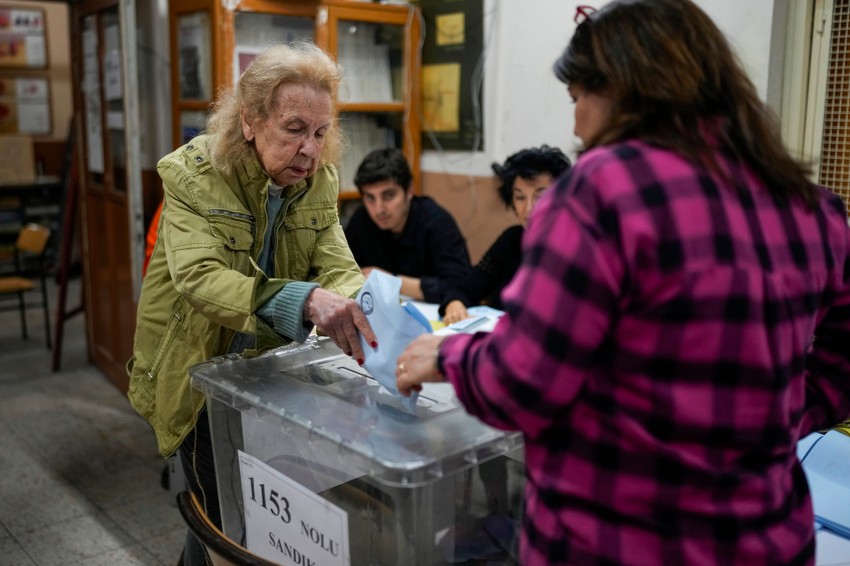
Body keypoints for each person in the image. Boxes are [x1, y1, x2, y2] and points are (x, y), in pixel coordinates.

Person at [395, 1, 850, 564]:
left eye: (579, 98)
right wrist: (777, 418)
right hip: (768, 539)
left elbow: (525, 384)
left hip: (615, 539)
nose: (576, 122)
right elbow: (840, 354)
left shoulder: (603, 191)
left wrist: (449, 356)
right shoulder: (811, 206)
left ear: (625, 87)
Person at [126, 42, 377, 566]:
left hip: (265, 375)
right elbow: (201, 278)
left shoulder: (317, 179)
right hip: (194, 373)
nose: (309, 149)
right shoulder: (192, 174)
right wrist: (304, 300)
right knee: (227, 519)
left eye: (320, 132)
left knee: (233, 517)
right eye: (293, 128)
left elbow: (336, 262)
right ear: (249, 120)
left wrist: (363, 312)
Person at [440, 145, 571, 324]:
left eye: (541, 197)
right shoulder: (511, 239)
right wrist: (455, 303)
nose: (529, 208)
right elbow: (466, 288)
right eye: (520, 197)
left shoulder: (572, 248)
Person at [344, 147, 471, 303]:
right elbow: (343, 270)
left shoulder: (436, 222)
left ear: (409, 190)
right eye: (370, 197)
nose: (379, 210)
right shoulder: (362, 219)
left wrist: (392, 282)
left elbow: (461, 285)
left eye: (388, 195)